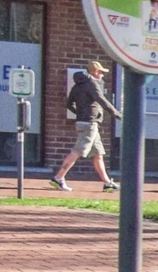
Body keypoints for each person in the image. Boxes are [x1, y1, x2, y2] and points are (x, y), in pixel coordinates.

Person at [50, 60, 120, 193]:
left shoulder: (77, 85)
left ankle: (107, 183)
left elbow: (69, 104)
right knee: (77, 152)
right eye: (101, 72)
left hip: (85, 122)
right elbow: (101, 99)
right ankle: (58, 178)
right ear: (94, 72)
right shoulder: (92, 83)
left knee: (98, 154)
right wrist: (116, 113)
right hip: (89, 124)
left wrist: (80, 113)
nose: (102, 75)